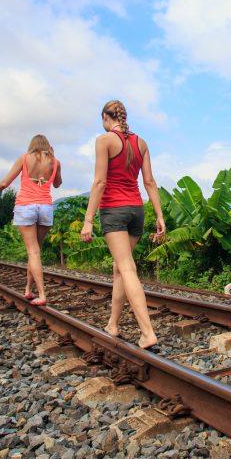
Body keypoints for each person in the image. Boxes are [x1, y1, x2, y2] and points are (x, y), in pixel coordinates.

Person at [81, 100, 165, 350]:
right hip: (136, 211)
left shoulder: (104, 140)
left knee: (127, 269)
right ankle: (113, 325)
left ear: (107, 118)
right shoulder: (141, 143)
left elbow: (99, 182)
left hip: (114, 212)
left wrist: (88, 220)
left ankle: (147, 333)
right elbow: (149, 182)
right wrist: (159, 215)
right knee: (120, 268)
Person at [0, 135, 63, 306]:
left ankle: (42, 295)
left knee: (32, 252)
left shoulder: (24, 158)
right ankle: (28, 289)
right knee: (35, 252)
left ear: (32, 146)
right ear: (48, 146)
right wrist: (53, 164)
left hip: (26, 206)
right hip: (45, 208)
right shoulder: (55, 162)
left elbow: (6, 182)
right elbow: (57, 184)